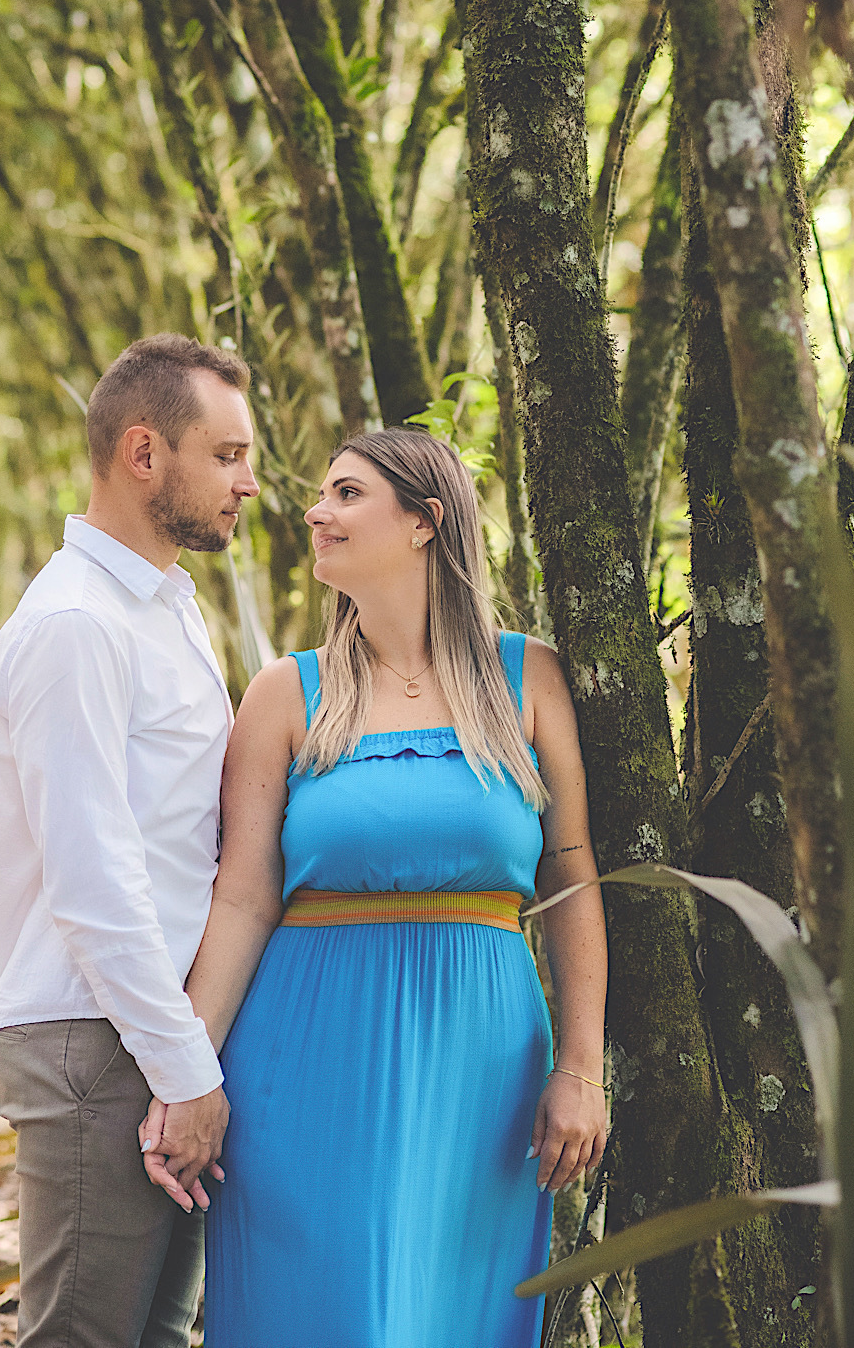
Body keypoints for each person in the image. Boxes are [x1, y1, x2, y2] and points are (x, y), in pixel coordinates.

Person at [141, 426, 608, 1348]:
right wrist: (184, 1074)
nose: (316, 510)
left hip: (484, 1072)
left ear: (426, 521)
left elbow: (571, 875)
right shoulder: (286, 693)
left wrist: (582, 1069)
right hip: (302, 1062)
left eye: (347, 494)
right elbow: (242, 898)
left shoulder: (527, 679)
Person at [0, 334, 258, 1348]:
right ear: (146, 454)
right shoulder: (77, 625)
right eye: (225, 455)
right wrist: (185, 1072)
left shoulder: (162, 611)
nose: (250, 482)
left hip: (149, 1036)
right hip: (100, 1040)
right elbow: (94, 880)